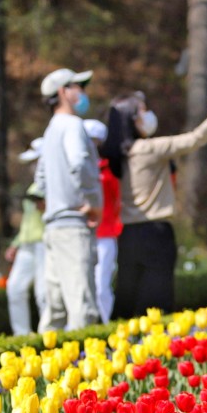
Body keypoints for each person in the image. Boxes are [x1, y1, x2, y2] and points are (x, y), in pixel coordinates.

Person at [103, 89, 207, 319]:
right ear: (133, 120)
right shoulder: (149, 149)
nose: (149, 115)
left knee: (126, 301)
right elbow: (195, 138)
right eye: (143, 110)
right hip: (155, 233)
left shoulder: (120, 154)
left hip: (129, 235)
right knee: (157, 303)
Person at [34, 67, 104, 332]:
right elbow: (80, 162)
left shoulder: (51, 129)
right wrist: (93, 202)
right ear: (63, 92)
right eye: (78, 87)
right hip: (73, 225)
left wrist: (48, 200)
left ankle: (43, 370)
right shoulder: (73, 125)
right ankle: (85, 371)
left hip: (52, 226)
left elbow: (39, 179)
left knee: (54, 310)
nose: (83, 93)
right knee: (82, 308)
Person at [5, 139, 47, 335]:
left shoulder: (53, 183)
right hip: (27, 245)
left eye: (36, 161)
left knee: (44, 293)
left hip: (45, 244)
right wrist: (16, 244)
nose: (33, 166)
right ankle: (21, 335)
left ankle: (49, 335)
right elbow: (27, 222)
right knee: (15, 288)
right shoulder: (33, 186)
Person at [84, 119, 121, 325]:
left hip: (105, 233)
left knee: (101, 284)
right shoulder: (78, 167)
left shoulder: (109, 170)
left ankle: (104, 322)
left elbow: (117, 200)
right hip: (83, 233)